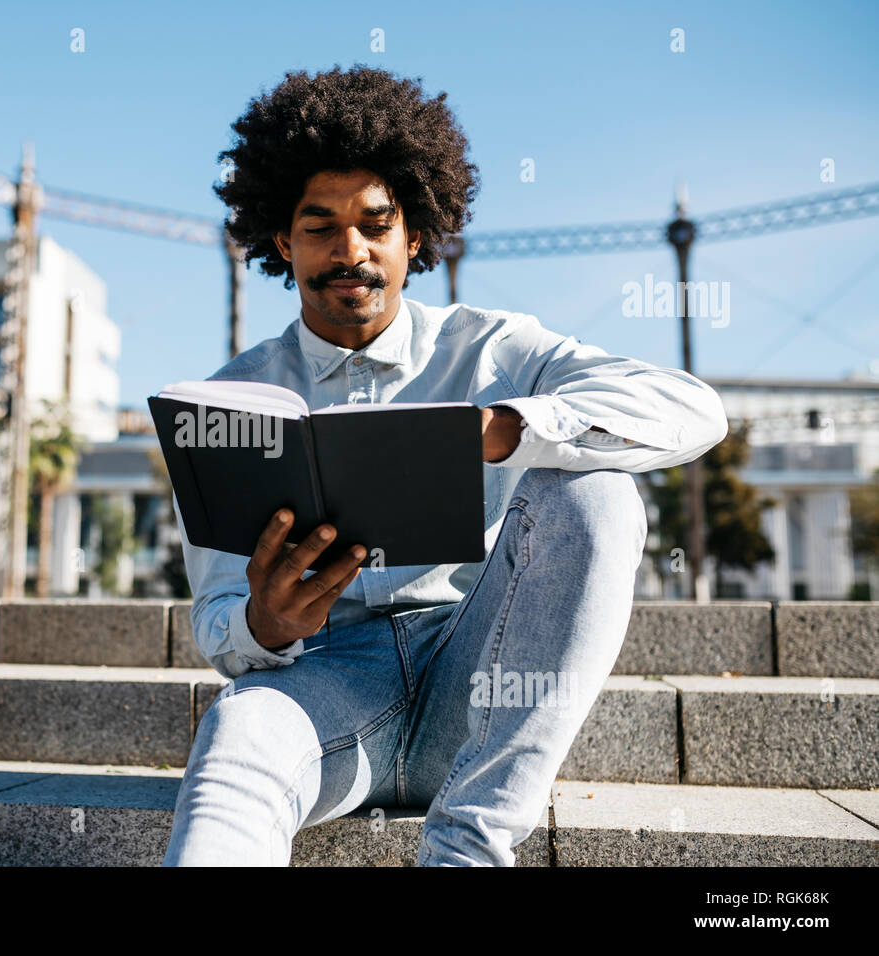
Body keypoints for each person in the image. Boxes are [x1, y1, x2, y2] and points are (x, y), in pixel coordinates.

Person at [161, 65, 728, 866]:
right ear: (281, 242)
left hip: (483, 679)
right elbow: (221, 623)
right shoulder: (231, 400)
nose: (348, 250)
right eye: (319, 226)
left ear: (415, 234)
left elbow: (697, 410)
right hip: (324, 689)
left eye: (375, 223)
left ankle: (467, 850)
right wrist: (267, 623)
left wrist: (508, 428)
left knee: (597, 491)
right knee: (236, 729)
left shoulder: (496, 347)